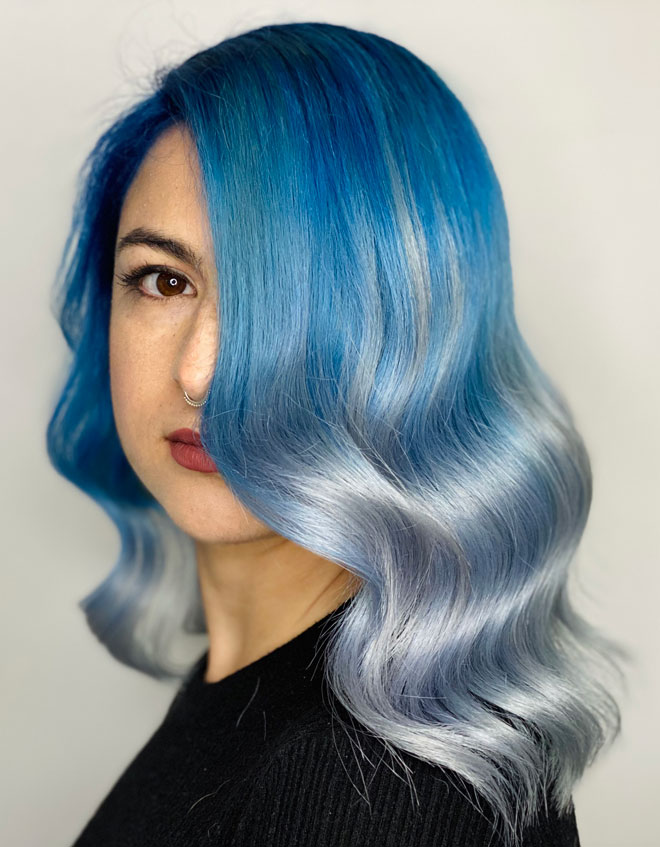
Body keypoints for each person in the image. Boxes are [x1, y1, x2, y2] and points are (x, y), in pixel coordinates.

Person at [46, 21, 627, 847]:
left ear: (422, 336)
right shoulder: (266, 700)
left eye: (286, 301)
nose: (200, 372)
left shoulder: (375, 788)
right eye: (164, 280)